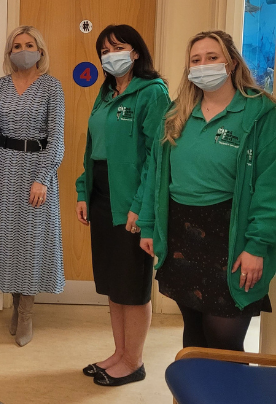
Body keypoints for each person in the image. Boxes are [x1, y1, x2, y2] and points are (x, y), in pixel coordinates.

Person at [138, 30, 276, 353]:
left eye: (212, 58)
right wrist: (148, 225)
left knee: (224, 337)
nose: (203, 65)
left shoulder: (260, 114)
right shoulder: (177, 112)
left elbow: (270, 187)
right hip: (181, 230)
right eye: (195, 60)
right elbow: (155, 172)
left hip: (231, 233)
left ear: (230, 63)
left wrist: (257, 245)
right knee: (194, 329)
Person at [75, 25, 169, 386]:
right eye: (103, 50)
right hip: (102, 196)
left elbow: (156, 157)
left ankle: (135, 361)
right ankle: (119, 353)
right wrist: (84, 192)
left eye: (117, 47)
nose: (109, 54)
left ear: (135, 52)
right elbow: (92, 150)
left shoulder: (153, 93)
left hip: (132, 200)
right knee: (115, 284)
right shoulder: (105, 93)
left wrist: (141, 207)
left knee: (133, 285)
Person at [0, 25, 65, 347]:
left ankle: (27, 314)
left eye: (29, 45)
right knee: (9, 242)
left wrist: (42, 178)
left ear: (40, 51)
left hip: (37, 170)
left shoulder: (51, 87)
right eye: (17, 45)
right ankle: (16, 305)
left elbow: (56, 139)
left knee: (31, 243)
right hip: (4, 167)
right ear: (9, 52)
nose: (23, 50)